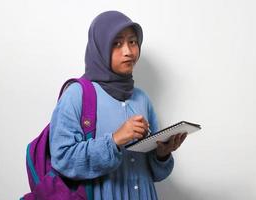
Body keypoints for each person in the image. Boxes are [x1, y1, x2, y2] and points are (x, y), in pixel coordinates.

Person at [49, 10, 187, 200]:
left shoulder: (142, 99)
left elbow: (155, 173)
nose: (128, 51)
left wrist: (161, 155)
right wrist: (114, 140)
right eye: (117, 44)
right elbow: (62, 159)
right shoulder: (77, 95)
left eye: (132, 41)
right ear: (100, 48)